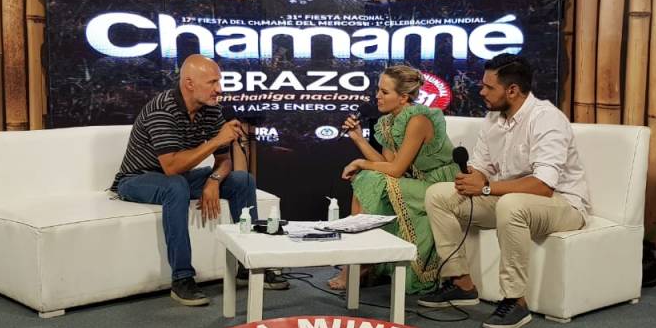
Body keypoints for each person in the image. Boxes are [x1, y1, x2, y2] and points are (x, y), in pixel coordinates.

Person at [419, 55, 591, 328]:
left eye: (489, 87)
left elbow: (543, 186)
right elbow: (483, 167)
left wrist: (485, 188)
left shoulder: (546, 119)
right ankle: (461, 282)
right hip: (508, 199)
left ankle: (515, 301)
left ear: (512, 90)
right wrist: (473, 177)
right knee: (439, 195)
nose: (481, 91)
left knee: (511, 205)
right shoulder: (493, 119)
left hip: (563, 204)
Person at [111, 54, 289, 306]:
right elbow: (172, 167)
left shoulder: (211, 109)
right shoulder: (162, 109)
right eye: (212, 82)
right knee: (176, 186)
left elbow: (224, 160)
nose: (219, 89)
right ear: (189, 83)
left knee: (243, 180)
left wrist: (213, 181)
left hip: (179, 178)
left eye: (219, 81)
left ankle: (248, 266)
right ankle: (182, 278)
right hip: (136, 179)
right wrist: (216, 140)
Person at [328, 65, 459, 294]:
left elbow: (396, 170)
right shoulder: (388, 122)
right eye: (378, 90)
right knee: (369, 178)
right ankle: (361, 259)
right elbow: (386, 165)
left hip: (438, 184)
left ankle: (361, 263)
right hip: (413, 181)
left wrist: (360, 162)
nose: (377, 96)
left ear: (403, 97)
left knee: (368, 177)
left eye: (384, 92)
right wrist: (358, 139)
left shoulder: (418, 120)